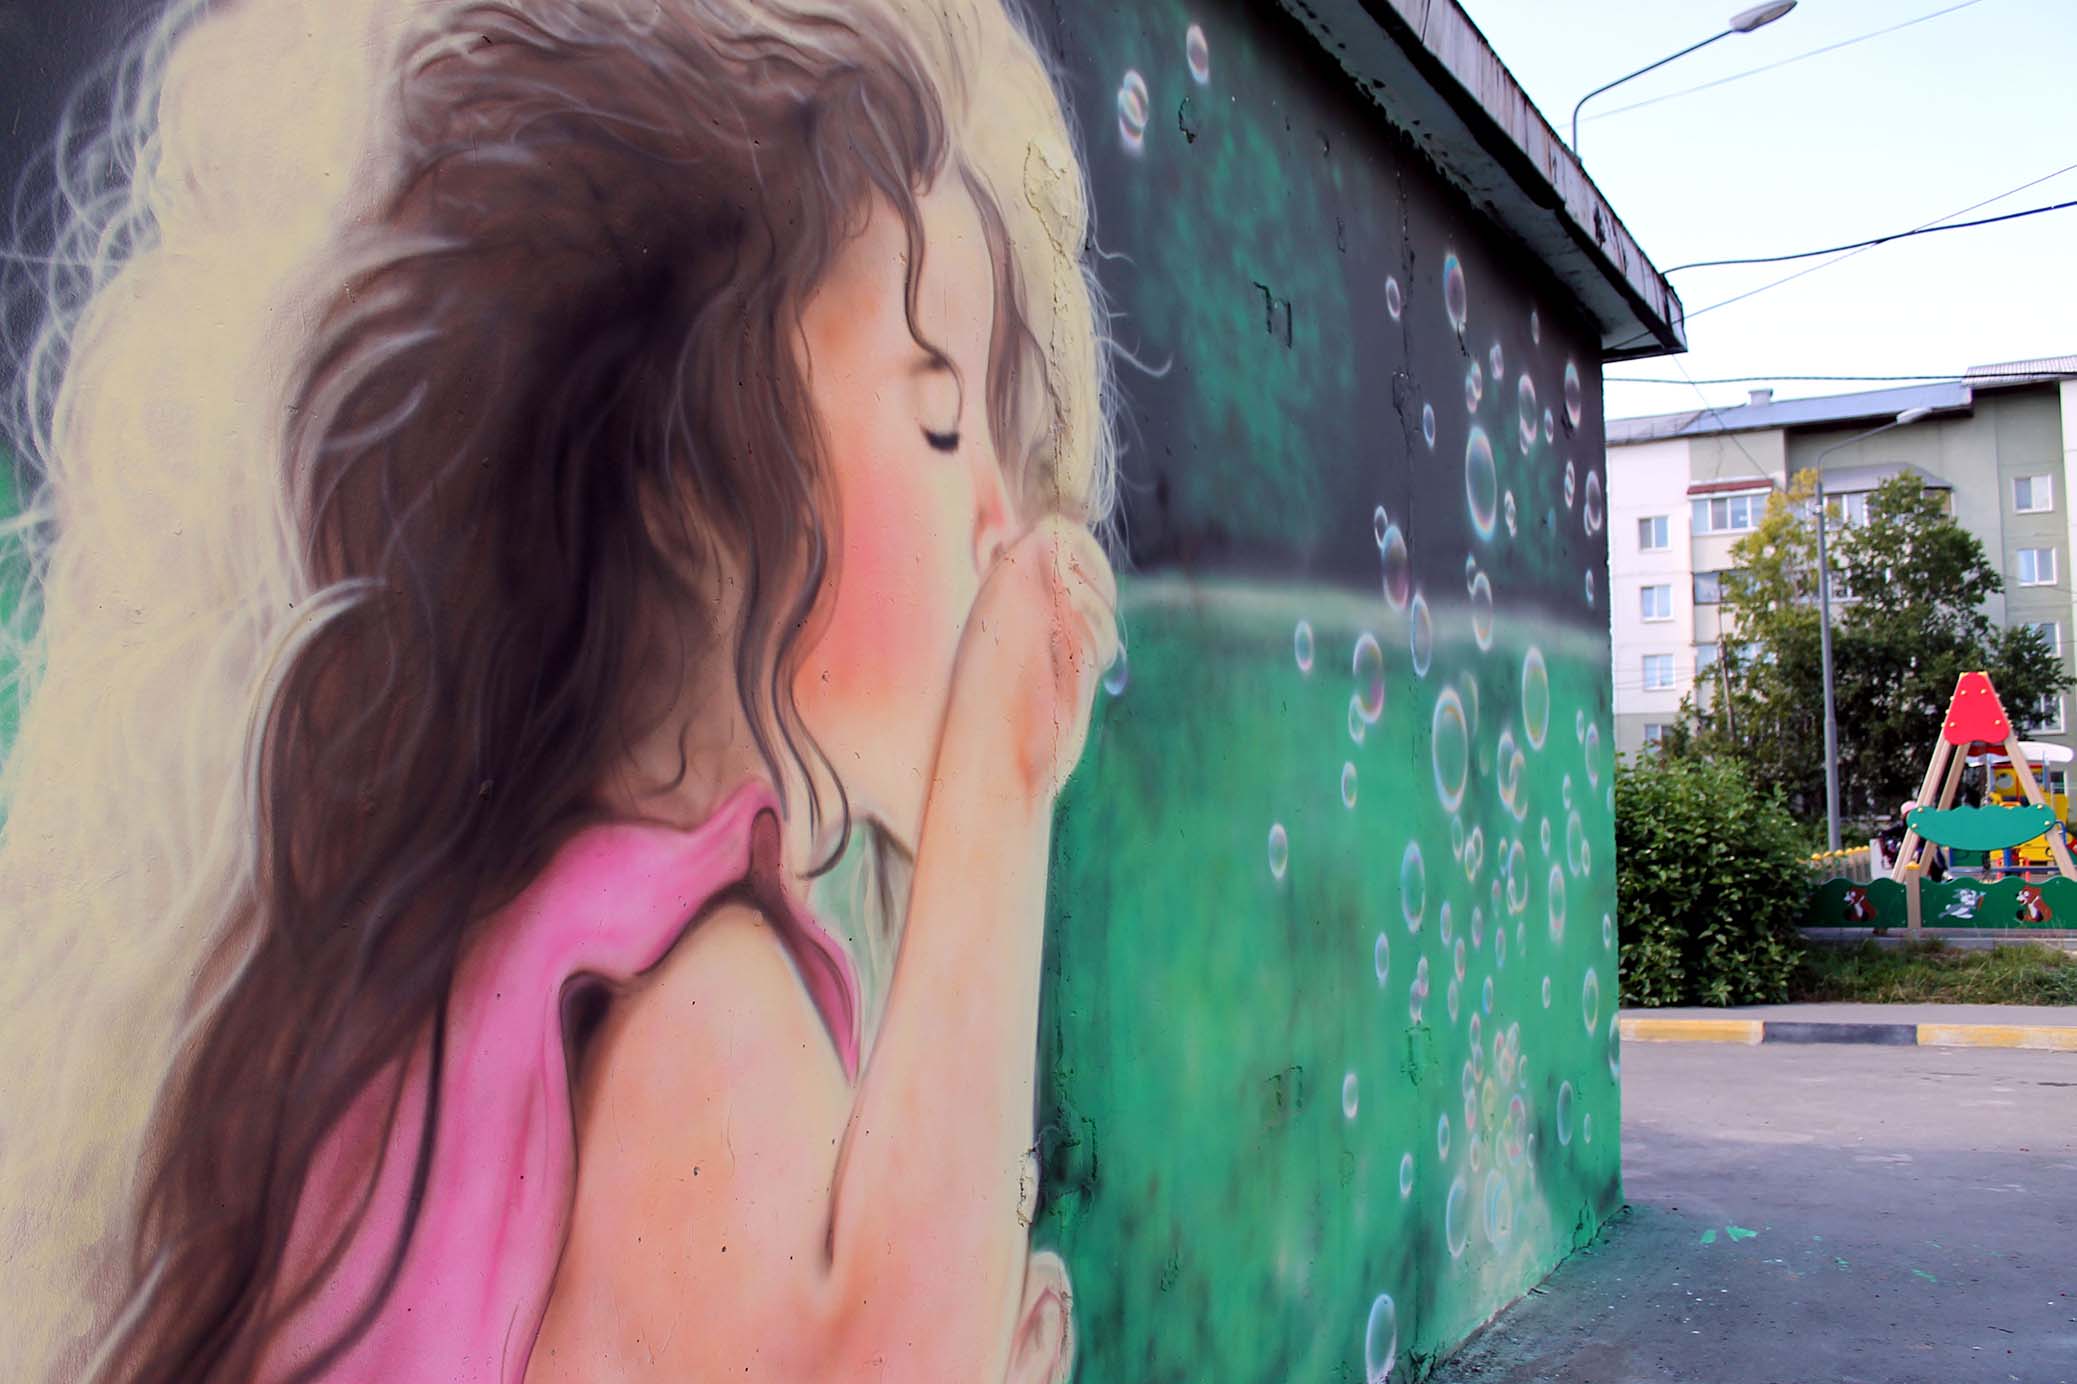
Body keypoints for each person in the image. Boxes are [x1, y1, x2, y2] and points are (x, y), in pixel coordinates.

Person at [0, 1, 1116, 1379]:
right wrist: (1003, 786)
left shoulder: (493, 957)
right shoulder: (693, 1000)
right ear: (697, 486)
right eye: (942, 423)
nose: (1008, 523)